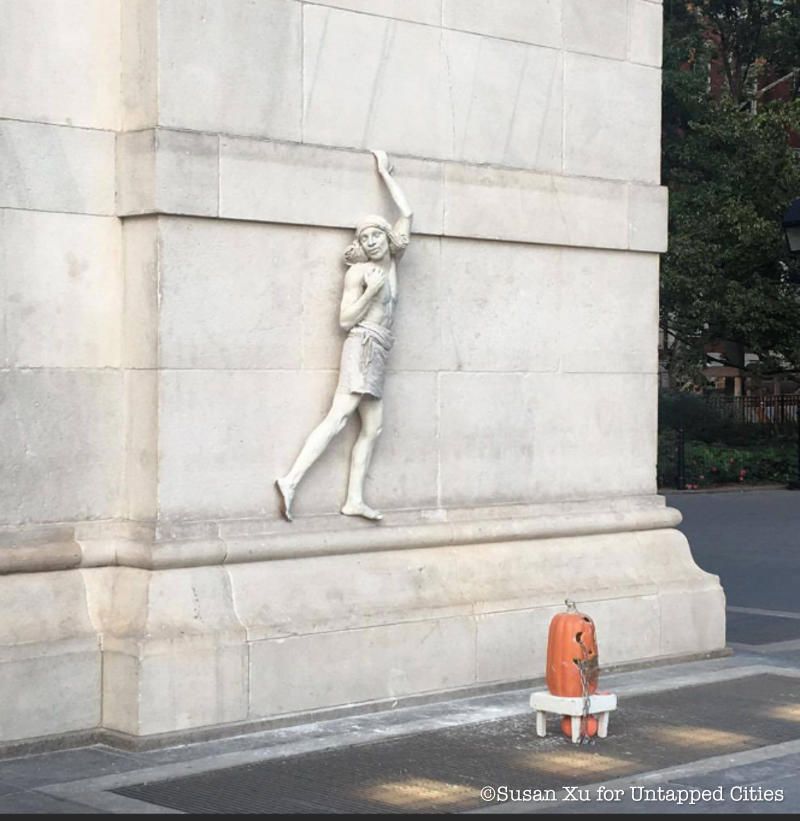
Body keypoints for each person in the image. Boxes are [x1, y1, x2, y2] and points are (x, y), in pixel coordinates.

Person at [276, 150, 413, 522]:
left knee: (373, 426)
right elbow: (344, 319)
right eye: (363, 237)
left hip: (380, 349)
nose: (369, 241)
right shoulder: (361, 274)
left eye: (374, 235)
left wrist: (385, 174)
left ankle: (354, 499)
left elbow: (407, 214)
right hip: (362, 345)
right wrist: (369, 292)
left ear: (386, 238)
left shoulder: (394, 262)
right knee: (338, 418)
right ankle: (290, 479)